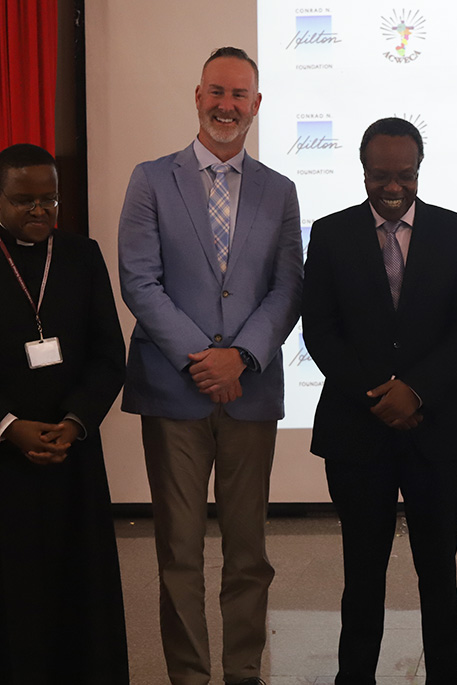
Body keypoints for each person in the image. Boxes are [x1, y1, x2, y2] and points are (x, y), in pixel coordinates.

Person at [118, 47, 302, 685]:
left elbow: (288, 288)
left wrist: (241, 357)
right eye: (217, 93)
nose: (228, 106)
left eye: (239, 95)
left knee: (249, 551)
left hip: (249, 391)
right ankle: (190, 676)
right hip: (176, 390)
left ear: (257, 104)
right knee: (179, 552)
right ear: (198, 96)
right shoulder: (150, 179)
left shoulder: (280, 191)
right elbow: (139, 282)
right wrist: (204, 359)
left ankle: (243, 669)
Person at [301, 117, 457, 685]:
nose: (393, 187)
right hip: (357, 431)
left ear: (419, 170)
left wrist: (417, 389)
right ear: (362, 171)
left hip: (438, 428)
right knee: (363, 573)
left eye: (404, 175)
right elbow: (320, 331)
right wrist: (379, 391)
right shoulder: (330, 235)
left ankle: (445, 678)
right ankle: (354, 677)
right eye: (381, 175)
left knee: (438, 572)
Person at [0, 143, 128, 683]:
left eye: (48, 200)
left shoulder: (81, 254)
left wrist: (74, 423)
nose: (39, 212)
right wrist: (8, 426)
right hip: (5, 456)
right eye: (23, 200)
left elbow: (108, 354)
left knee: (79, 585)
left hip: (72, 451)